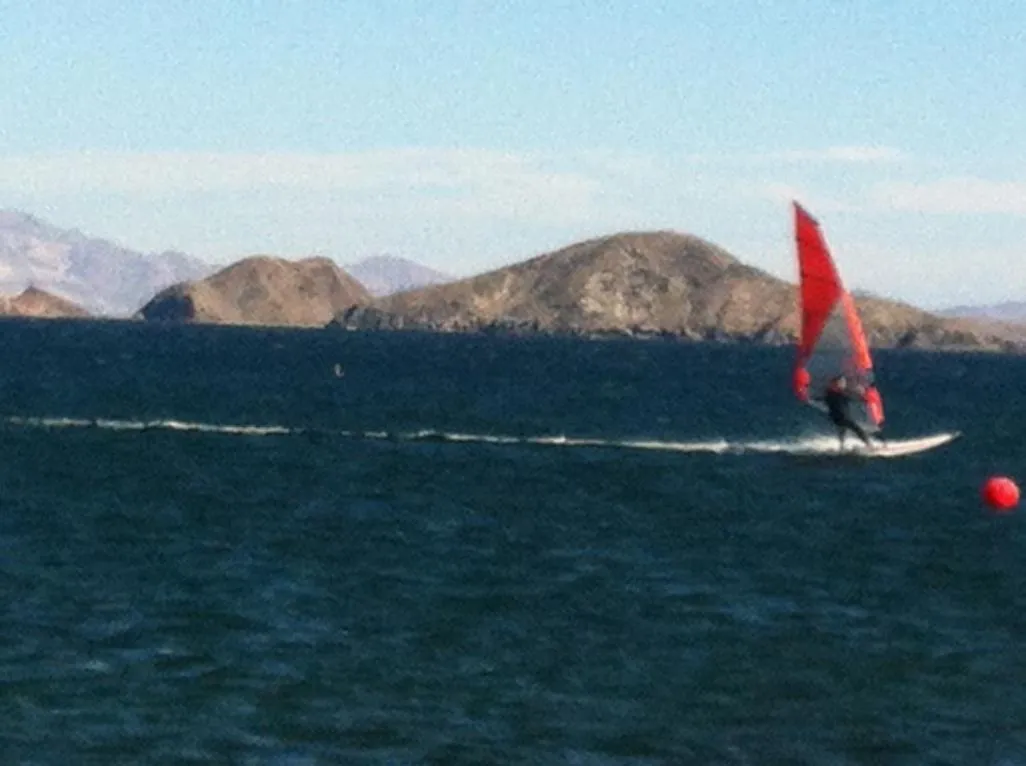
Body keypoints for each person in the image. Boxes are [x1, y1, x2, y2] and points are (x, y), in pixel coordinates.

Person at [821, 375, 875, 450]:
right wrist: (862, 395)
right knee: (858, 429)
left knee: (842, 430)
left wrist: (862, 396)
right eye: (842, 382)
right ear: (836, 384)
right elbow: (851, 396)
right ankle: (869, 445)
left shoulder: (833, 392)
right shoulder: (834, 393)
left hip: (837, 417)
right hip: (842, 417)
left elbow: (850, 396)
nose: (844, 384)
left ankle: (841, 446)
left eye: (844, 382)